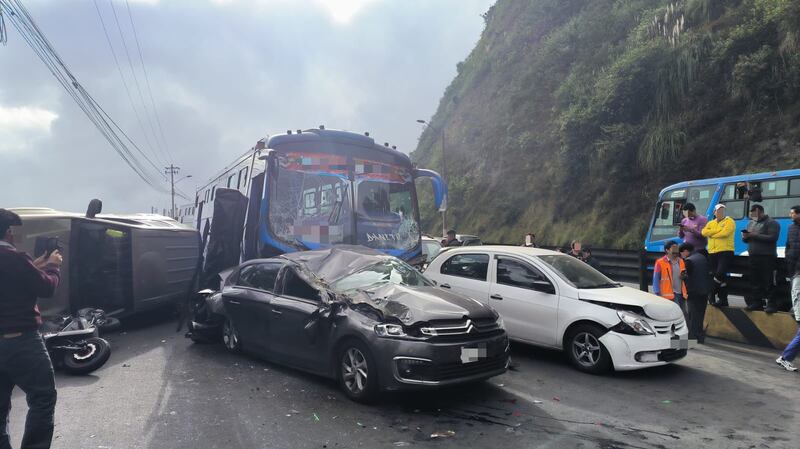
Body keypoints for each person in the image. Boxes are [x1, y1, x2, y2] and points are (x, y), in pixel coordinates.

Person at [0, 208, 62, 449]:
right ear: (8, 232)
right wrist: (53, 266)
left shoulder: (17, 261)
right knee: (42, 398)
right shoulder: (14, 258)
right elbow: (46, 288)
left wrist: (35, 264)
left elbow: (13, 277)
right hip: (20, 342)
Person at [742, 204, 780, 312]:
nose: (752, 216)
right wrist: (745, 237)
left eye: (753, 213)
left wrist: (753, 235)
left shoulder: (772, 223)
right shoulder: (751, 223)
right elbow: (748, 239)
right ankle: (757, 302)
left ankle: (772, 304)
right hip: (753, 256)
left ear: (759, 211)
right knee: (755, 281)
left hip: (767, 257)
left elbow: (773, 238)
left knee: (769, 281)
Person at [776, 205, 800, 370]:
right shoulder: (791, 228)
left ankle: (785, 357)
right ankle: (785, 357)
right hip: (795, 271)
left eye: (792, 213)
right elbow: (788, 247)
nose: (790, 215)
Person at [702, 204, 736, 307]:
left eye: (722, 210)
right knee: (721, 278)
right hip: (712, 252)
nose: (720, 212)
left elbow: (725, 233)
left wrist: (711, 234)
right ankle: (723, 299)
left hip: (725, 251)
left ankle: (711, 292)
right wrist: (717, 231)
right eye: (718, 210)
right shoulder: (711, 222)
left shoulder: (729, 221)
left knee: (719, 274)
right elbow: (703, 232)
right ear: (715, 213)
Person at [680, 242, 710, 343]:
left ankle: (693, 338)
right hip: (704, 291)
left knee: (693, 315)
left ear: (686, 251)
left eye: (681, 253)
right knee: (700, 314)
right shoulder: (702, 257)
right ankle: (699, 336)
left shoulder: (689, 261)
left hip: (693, 291)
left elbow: (683, 276)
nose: (681, 256)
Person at [653, 240, 688, 314]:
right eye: (674, 248)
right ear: (667, 250)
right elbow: (656, 279)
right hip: (668, 295)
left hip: (681, 294)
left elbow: (684, 276)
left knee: (684, 315)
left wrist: (683, 276)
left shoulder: (681, 261)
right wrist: (658, 294)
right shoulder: (660, 262)